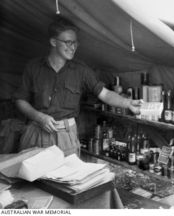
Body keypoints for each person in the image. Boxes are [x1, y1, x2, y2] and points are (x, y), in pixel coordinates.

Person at [13, 16, 143, 156]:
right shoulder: (34, 67)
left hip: (66, 136)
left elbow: (104, 93)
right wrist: (39, 117)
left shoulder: (81, 70)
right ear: (53, 42)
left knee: (66, 177)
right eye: (68, 42)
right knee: (32, 176)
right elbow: (20, 99)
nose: (73, 47)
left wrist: (127, 103)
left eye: (75, 43)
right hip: (36, 131)